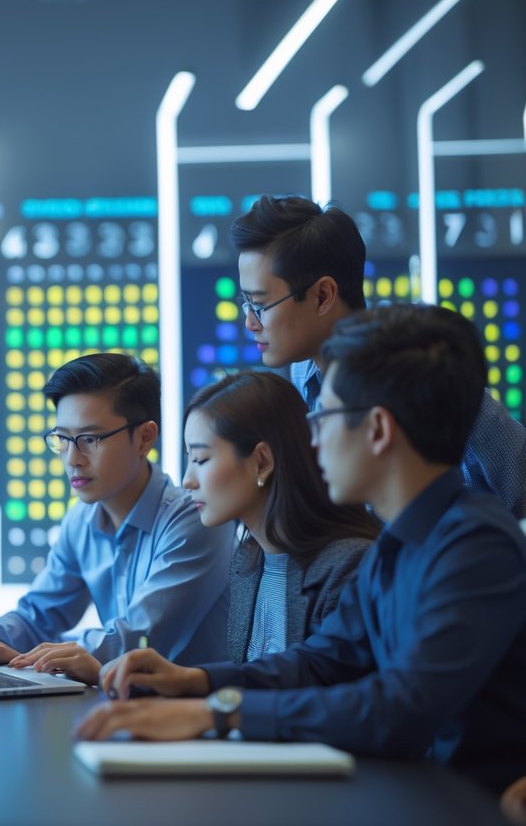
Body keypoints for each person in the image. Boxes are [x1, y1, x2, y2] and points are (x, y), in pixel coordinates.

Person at [80, 305, 526, 795]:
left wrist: (219, 712)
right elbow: (320, 661)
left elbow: (400, 708)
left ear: (377, 430)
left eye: (326, 416)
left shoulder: (475, 546)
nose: (311, 438)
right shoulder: (398, 544)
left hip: (461, 806)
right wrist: (196, 682)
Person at [0, 353, 233, 685]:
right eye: (62, 439)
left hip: (198, 717)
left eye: (90, 439)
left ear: (145, 438)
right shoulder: (82, 520)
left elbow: (136, 640)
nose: (72, 459)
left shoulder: (193, 519)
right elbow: (36, 617)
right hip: (126, 707)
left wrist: (24, 654)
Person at [231, 194, 526, 518]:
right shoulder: (302, 373)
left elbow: (520, 486)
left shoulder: (419, 370)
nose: (249, 321)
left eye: (259, 304)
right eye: (246, 303)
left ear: (322, 295)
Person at [182, 371, 381, 664]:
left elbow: (322, 694)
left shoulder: (349, 566)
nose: (188, 480)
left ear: (261, 461)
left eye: (200, 460)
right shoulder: (247, 559)